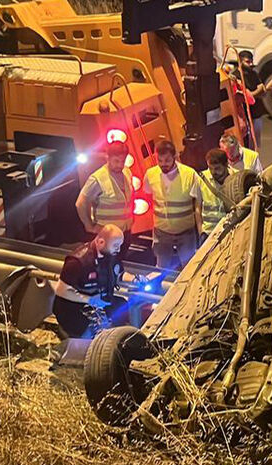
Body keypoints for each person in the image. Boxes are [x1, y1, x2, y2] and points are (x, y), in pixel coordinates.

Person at [53, 224, 129, 338]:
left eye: (120, 245)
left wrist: (136, 279)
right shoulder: (77, 262)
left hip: (99, 301)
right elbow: (61, 291)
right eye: (116, 245)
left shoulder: (110, 254)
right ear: (101, 242)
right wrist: (90, 300)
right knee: (90, 334)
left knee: (122, 306)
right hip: (73, 308)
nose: (118, 249)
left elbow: (119, 274)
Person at [142, 139, 202, 270]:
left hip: (185, 232)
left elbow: (198, 204)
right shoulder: (150, 174)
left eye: (167, 161)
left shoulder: (189, 174)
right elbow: (147, 195)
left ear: (175, 157)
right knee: (161, 268)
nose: (163, 164)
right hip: (162, 232)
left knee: (190, 269)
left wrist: (200, 230)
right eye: (160, 161)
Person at [195, 148, 236, 243]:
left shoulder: (237, 178)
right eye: (210, 168)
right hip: (209, 233)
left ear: (226, 165)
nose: (213, 172)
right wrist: (201, 231)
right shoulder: (201, 179)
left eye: (217, 168)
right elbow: (198, 207)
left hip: (230, 231)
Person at [238, 52, 267, 150]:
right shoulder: (236, 76)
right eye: (247, 62)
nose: (250, 64)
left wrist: (251, 94)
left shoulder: (253, 73)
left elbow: (262, 88)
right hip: (244, 115)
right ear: (240, 61)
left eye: (251, 61)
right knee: (246, 142)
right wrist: (253, 95)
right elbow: (242, 96)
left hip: (256, 114)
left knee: (256, 143)